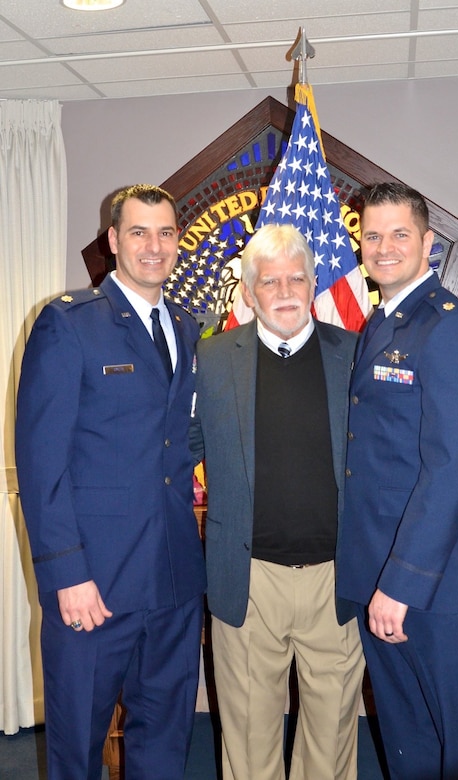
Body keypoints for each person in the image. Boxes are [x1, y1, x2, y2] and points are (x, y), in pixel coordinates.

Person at [15, 184, 206, 780]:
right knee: (78, 749)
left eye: (166, 232)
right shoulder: (68, 324)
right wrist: (67, 575)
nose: (155, 245)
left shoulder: (187, 327)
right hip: (93, 587)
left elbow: (187, 443)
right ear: (113, 241)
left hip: (173, 580)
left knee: (165, 741)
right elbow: (41, 462)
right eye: (139, 232)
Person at [336, 181, 458, 779]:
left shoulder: (450, 329)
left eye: (399, 234)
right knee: (408, 739)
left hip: (432, 587)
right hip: (384, 574)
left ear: (428, 243)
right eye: (373, 234)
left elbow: (450, 471)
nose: (384, 247)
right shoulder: (382, 326)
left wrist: (400, 586)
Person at [190, 223, 365, 780]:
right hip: (248, 578)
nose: (285, 291)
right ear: (248, 292)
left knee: (332, 734)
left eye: (297, 278)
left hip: (335, 578)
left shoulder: (355, 355)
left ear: (315, 283)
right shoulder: (212, 360)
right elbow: (170, 446)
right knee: (247, 735)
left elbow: (396, 440)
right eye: (270, 281)